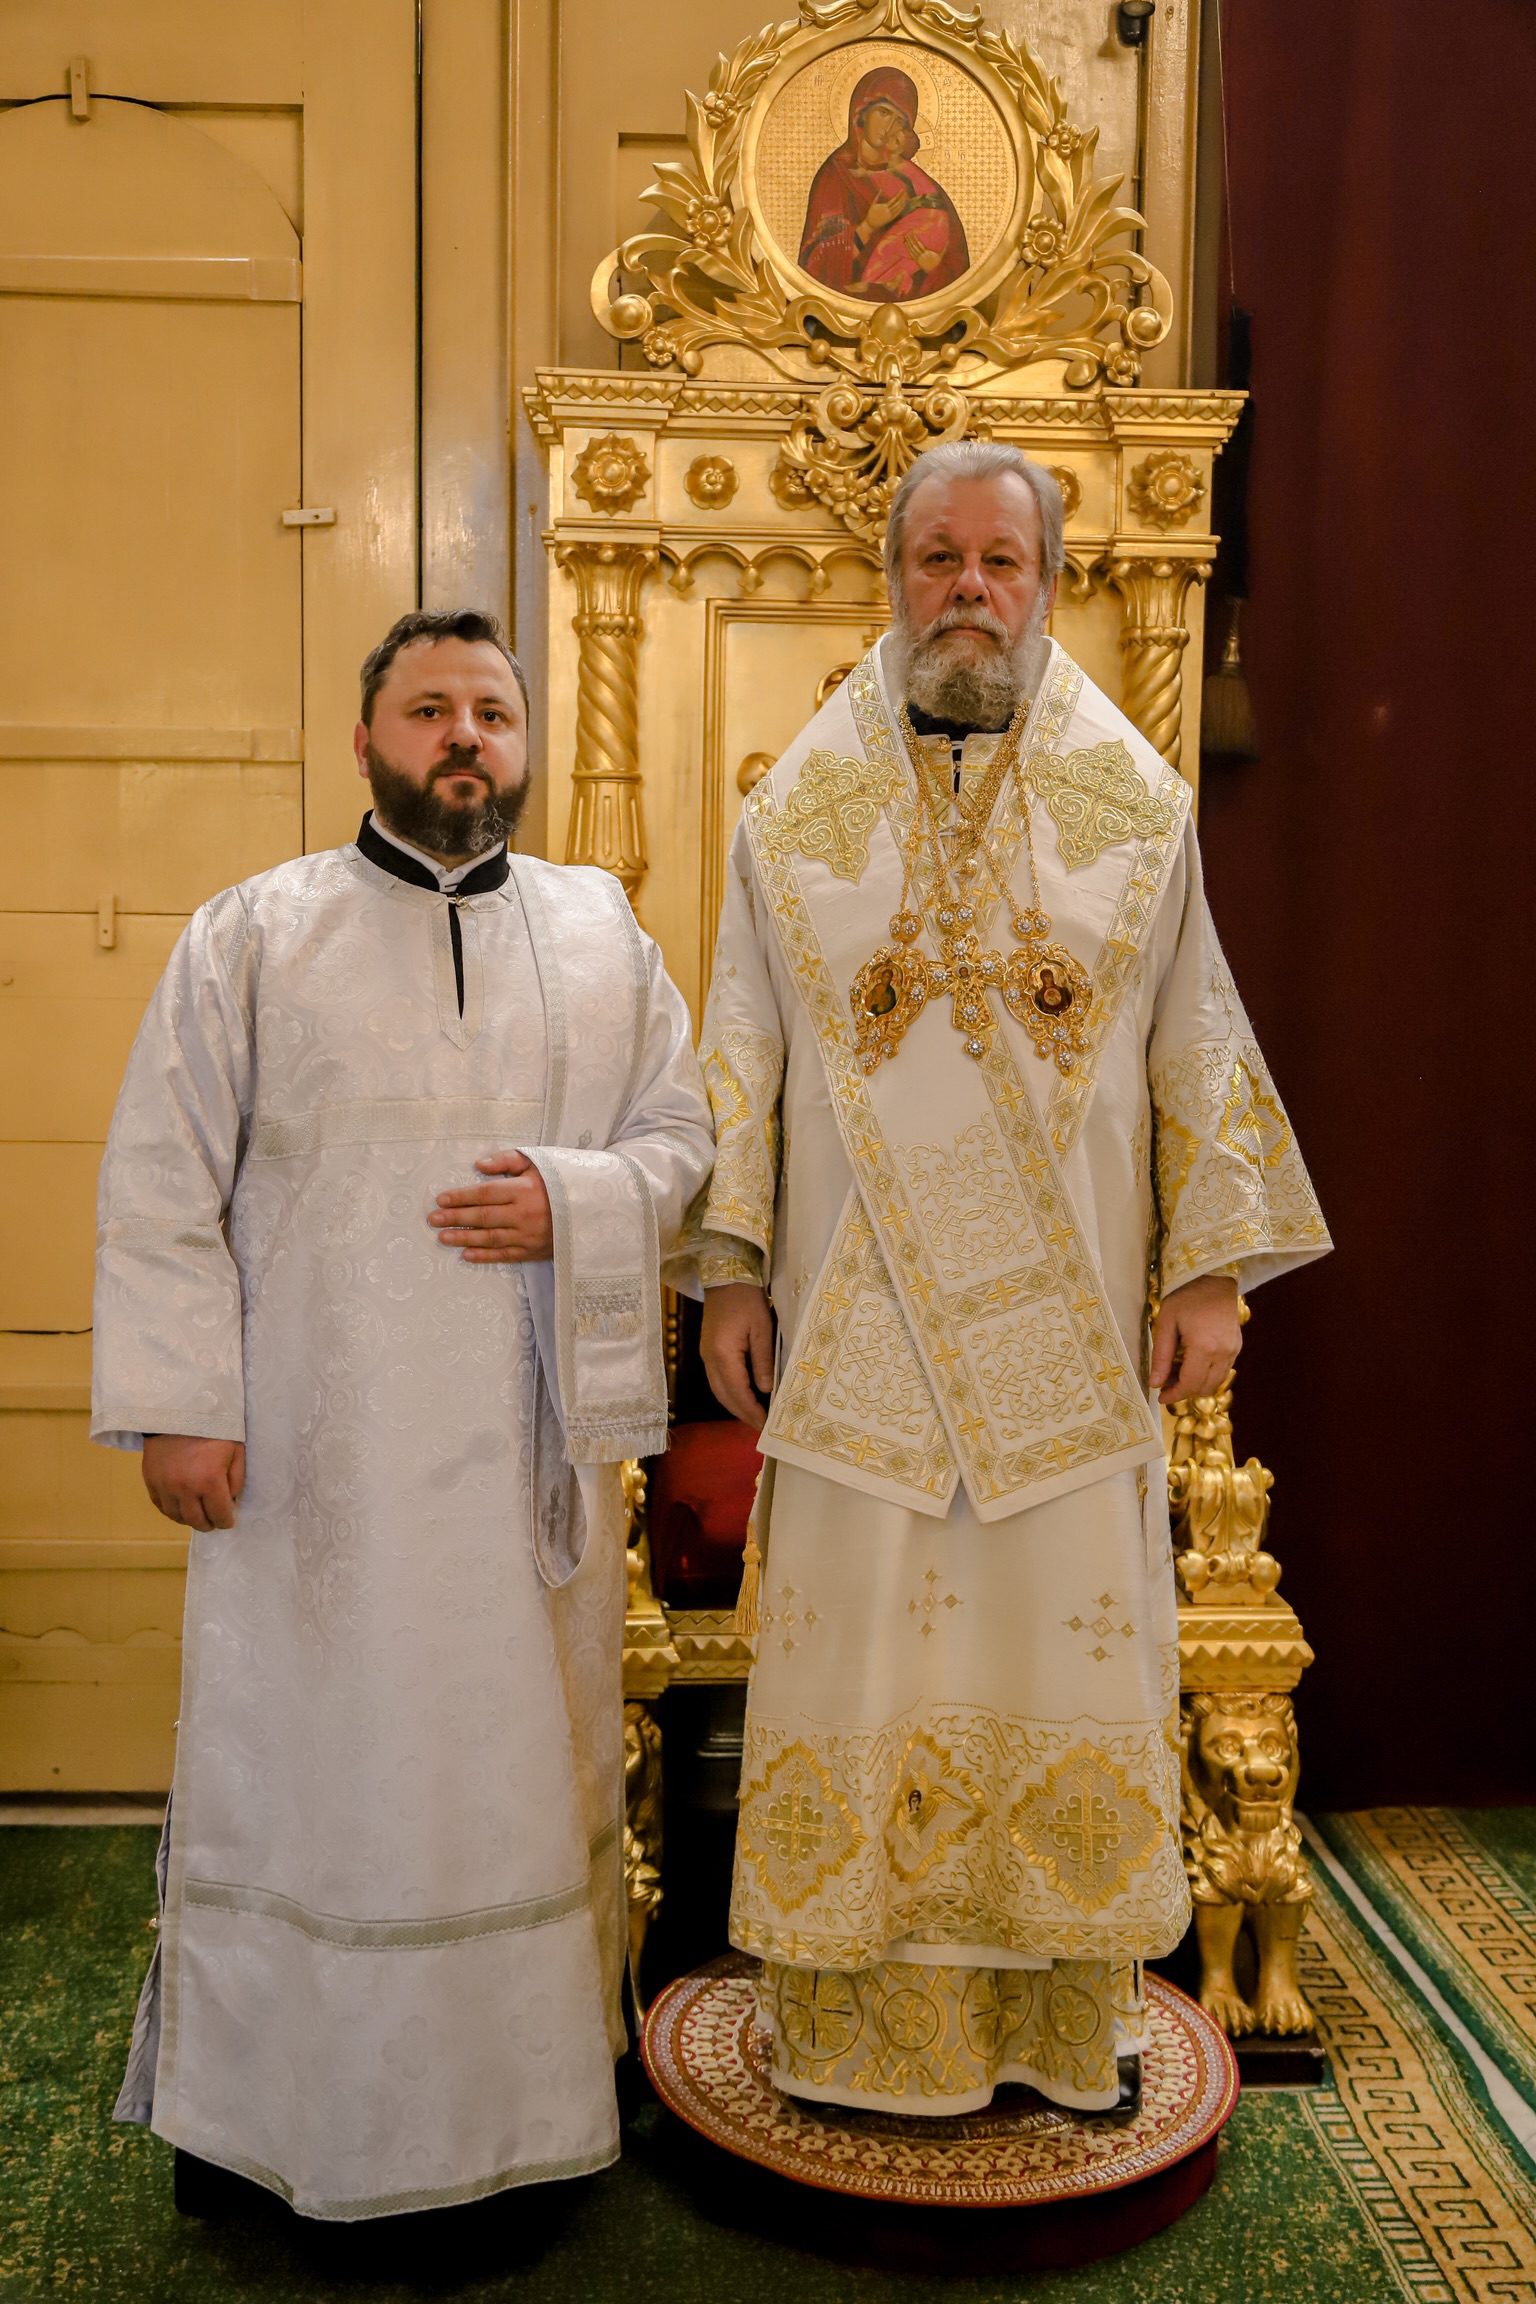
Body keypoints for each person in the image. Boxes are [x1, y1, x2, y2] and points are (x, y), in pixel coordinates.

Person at [688, 442, 1330, 2117]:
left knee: (1058, 1652)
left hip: (1065, 1331)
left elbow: (1193, 1033)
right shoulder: (795, 811)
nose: (967, 588)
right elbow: (740, 1042)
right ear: (892, 578)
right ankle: (850, 2033)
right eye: (937, 558)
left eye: (1000, 560)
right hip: (860, 1328)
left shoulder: (1135, 806)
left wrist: (1207, 1269)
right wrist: (731, 1264)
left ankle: (1056, 2025)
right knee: (864, 1667)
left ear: (1046, 584)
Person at [94, 608, 713, 2217]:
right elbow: (162, 1174)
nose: (464, 738)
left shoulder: (601, 933)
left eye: (492, 712)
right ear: (365, 739)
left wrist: (575, 1199)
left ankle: (521, 2133)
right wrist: (179, 1403)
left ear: (524, 745)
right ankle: (283, 2124)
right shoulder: (254, 934)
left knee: (515, 1780)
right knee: (320, 1783)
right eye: (429, 709)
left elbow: (681, 1133)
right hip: (315, 1475)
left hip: (519, 1474)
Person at [798, 66, 970, 302]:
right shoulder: (836, 176)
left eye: (899, 121)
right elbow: (814, 266)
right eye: (883, 113)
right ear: (861, 110)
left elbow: (957, 268)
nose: (889, 128)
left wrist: (933, 266)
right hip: (843, 310)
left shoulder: (919, 182)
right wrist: (867, 227)